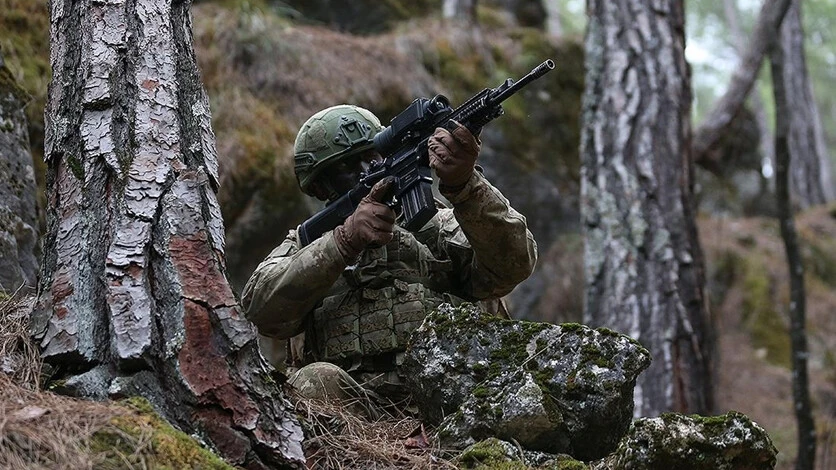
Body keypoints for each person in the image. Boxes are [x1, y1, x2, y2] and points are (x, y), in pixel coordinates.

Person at [241, 104, 537, 409]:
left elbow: (515, 263)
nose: (364, 172)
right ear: (320, 186)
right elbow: (260, 310)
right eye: (346, 167)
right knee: (314, 380)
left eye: (371, 158)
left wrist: (466, 185)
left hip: (446, 399)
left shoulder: (440, 224)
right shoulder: (307, 243)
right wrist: (343, 242)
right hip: (355, 410)